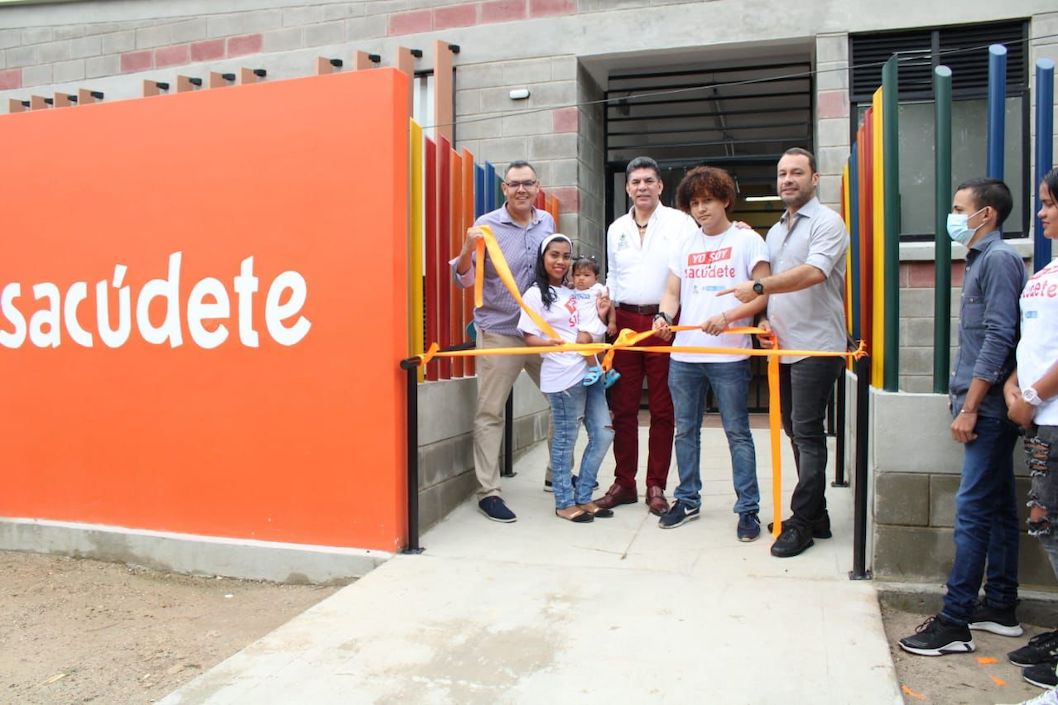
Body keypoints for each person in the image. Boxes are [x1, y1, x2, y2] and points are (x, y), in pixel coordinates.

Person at [897, 177, 1026, 657]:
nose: (952, 217)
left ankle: (954, 622)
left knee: (971, 512)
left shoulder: (999, 260)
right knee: (996, 507)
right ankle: (1002, 606)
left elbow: (998, 337)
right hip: (986, 405)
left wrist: (970, 406)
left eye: (958, 208)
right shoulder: (982, 261)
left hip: (988, 409)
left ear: (986, 214)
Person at [726, 147, 848, 558]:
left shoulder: (829, 223)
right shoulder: (776, 231)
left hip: (818, 346)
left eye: (797, 173)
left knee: (808, 433)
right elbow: (777, 286)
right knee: (794, 431)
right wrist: (764, 320)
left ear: (815, 179)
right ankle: (818, 515)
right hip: (784, 345)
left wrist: (760, 288)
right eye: (782, 174)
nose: (787, 180)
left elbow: (813, 273)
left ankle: (800, 523)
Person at [651, 166, 769, 541]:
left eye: (708, 201)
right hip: (684, 355)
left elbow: (763, 292)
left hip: (729, 356)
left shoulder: (749, 241)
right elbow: (672, 292)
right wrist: (663, 316)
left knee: (737, 433)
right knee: (685, 431)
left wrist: (728, 316)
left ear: (725, 201)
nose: (701, 209)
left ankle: (748, 509)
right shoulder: (684, 245)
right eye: (695, 203)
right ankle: (687, 499)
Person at [451, 160, 554, 523]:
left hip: (540, 332)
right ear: (504, 189)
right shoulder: (486, 226)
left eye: (528, 183)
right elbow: (463, 279)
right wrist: (466, 247)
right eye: (514, 184)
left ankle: (556, 474)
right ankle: (488, 491)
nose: (521, 189)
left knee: (565, 399)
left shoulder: (547, 223)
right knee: (490, 412)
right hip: (499, 330)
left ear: (537, 186)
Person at [596, 156, 700, 515]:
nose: (642, 187)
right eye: (635, 181)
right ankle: (625, 482)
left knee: (662, 407)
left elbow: (691, 269)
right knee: (622, 408)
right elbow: (614, 276)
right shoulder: (616, 228)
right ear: (627, 188)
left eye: (648, 181)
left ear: (660, 186)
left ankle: (656, 484)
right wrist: (607, 312)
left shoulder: (680, 223)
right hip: (624, 322)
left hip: (663, 322)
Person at [997, 167, 1058, 703]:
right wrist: (1016, 387)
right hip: (1036, 416)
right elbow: (1030, 340)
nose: (1040, 213)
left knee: (1053, 525)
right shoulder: (1048, 267)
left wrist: (1033, 398)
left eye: (1048, 203)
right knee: (1047, 522)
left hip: (1052, 417)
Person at [519, 235, 616, 522]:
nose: (560, 261)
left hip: (590, 370)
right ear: (543, 258)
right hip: (562, 375)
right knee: (565, 440)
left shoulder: (575, 291)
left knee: (603, 433)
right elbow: (528, 337)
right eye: (554, 255)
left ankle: (584, 495)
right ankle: (564, 501)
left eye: (565, 256)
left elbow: (591, 329)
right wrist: (550, 343)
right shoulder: (535, 293)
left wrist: (600, 316)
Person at [570, 256, 619, 388]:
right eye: (577, 275)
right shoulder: (572, 290)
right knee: (598, 352)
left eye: (586, 275)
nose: (581, 278)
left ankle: (593, 369)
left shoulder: (598, 289)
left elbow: (610, 305)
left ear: (595, 278)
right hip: (585, 327)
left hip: (591, 327)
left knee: (581, 342)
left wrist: (612, 322)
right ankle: (610, 371)